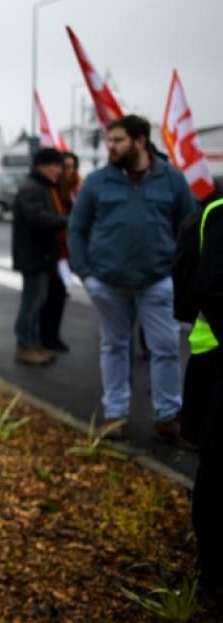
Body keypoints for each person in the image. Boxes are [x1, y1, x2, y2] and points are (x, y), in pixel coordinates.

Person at [68, 114, 195, 443]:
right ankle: (115, 415)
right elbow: (77, 229)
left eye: (118, 140)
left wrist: (180, 275)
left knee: (166, 349)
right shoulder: (97, 182)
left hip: (157, 282)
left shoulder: (172, 180)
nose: (111, 146)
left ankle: (168, 417)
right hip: (108, 284)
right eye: (109, 140)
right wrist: (86, 274)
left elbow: (190, 228)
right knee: (114, 348)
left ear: (140, 141)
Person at [174, 184, 223, 599]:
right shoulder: (220, 214)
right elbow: (211, 286)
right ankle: (212, 574)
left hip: (213, 356)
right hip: (217, 360)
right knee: (216, 466)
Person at [11, 148, 68, 366]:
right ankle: (25, 345)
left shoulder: (42, 187)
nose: (58, 170)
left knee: (37, 301)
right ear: (41, 166)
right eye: (55, 165)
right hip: (34, 256)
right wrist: (65, 220)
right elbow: (38, 219)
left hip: (41, 256)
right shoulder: (32, 189)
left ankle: (33, 343)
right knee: (31, 303)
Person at [39, 151, 81, 352]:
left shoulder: (74, 190)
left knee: (58, 296)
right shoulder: (51, 190)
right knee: (49, 297)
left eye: (72, 167)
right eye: (65, 166)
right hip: (53, 251)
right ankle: (46, 336)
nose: (68, 171)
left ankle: (53, 335)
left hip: (66, 251)